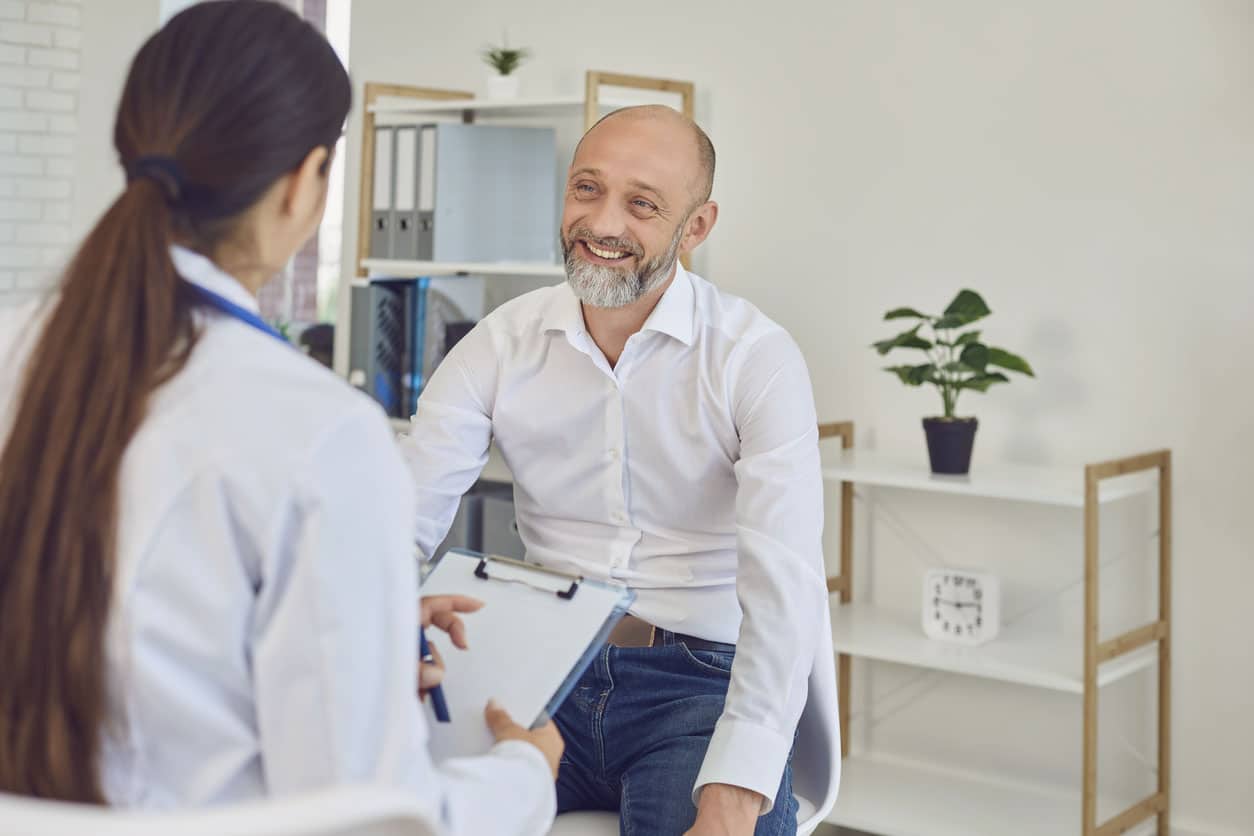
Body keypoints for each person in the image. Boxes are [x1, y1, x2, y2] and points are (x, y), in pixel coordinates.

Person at [0, 3, 561, 833]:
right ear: (306, 182)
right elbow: (373, 818)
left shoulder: (19, 340)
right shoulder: (323, 430)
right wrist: (525, 773)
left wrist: (355, 629)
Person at [401, 104, 831, 835]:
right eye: (586, 189)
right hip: (536, 663)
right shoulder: (500, 343)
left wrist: (734, 792)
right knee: (398, 813)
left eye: (641, 204)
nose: (601, 224)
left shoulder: (754, 357)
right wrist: (380, 623)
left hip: (701, 684)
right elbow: (400, 517)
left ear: (695, 227)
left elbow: (784, 588)